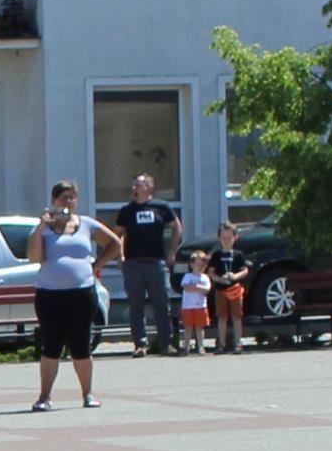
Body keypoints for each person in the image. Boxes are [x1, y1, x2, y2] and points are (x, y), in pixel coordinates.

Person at [26, 185, 114, 411]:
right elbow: (35, 257)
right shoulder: (44, 229)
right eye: (64, 198)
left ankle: (88, 394)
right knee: (51, 346)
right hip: (50, 294)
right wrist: (40, 227)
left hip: (81, 292)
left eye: (72, 198)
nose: (68, 202)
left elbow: (115, 243)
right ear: (54, 200)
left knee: (81, 345)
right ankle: (44, 397)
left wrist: (96, 265)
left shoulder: (86, 224)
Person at [110, 172, 180, 355]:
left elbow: (176, 228)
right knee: (136, 304)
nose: (134, 189)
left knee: (161, 304)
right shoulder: (127, 210)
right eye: (133, 186)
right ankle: (140, 344)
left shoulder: (161, 207)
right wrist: (120, 256)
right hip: (133, 264)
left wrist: (172, 251)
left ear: (149, 188)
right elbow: (117, 235)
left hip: (156, 262)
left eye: (139, 185)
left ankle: (166, 343)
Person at [207, 223, 251, 354]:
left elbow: (245, 271)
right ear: (219, 238)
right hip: (220, 290)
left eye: (229, 237)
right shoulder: (216, 255)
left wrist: (234, 276)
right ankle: (221, 344)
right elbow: (211, 272)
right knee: (222, 317)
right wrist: (219, 279)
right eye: (223, 238)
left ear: (235, 238)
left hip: (235, 289)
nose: (226, 241)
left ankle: (238, 343)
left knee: (237, 316)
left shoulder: (238, 255)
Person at [176, 248, 213, 348]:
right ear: (191, 265)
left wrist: (196, 287)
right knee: (188, 327)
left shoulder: (205, 277)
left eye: (202, 265)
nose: (200, 267)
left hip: (200, 306)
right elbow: (186, 287)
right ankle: (186, 346)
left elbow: (207, 289)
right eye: (197, 264)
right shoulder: (187, 276)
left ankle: (200, 346)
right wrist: (198, 288)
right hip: (187, 307)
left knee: (199, 327)